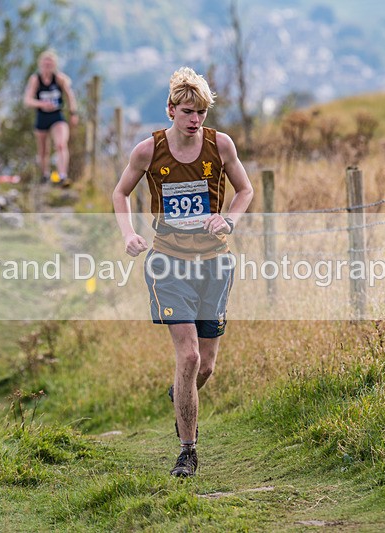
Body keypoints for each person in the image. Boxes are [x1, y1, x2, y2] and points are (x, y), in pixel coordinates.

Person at [112, 67, 254, 477]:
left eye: (202, 113)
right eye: (188, 111)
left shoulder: (220, 146)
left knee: (204, 366)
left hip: (214, 263)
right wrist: (128, 234)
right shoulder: (147, 151)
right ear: (171, 109)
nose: (195, 120)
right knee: (188, 354)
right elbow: (120, 192)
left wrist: (229, 220)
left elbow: (246, 190)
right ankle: (187, 451)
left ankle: (181, 396)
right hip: (168, 264)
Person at [23, 49, 79, 186]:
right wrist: (42, 104)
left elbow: (70, 96)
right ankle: (45, 175)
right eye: (45, 63)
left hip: (57, 116)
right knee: (43, 150)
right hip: (42, 116)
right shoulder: (36, 79)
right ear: (40, 64)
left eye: (50, 63)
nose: (47, 66)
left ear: (54, 65)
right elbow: (27, 100)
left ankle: (62, 176)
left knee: (60, 144)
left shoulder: (60, 79)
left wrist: (73, 113)